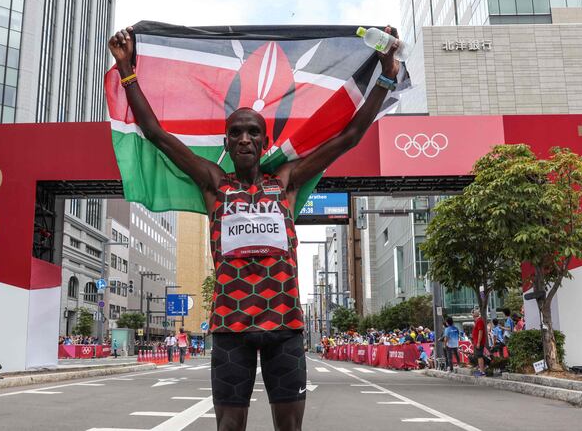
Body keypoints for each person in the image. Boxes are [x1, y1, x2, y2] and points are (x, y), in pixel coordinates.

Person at [109, 24, 400, 431]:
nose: (244, 138)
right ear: (226, 143)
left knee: (290, 429)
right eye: (236, 133)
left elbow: (350, 135)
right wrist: (127, 70)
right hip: (230, 328)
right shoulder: (213, 183)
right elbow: (156, 134)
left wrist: (386, 74)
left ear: (264, 141)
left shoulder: (286, 181)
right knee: (228, 428)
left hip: (285, 328)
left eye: (252, 132)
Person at [471, 308, 487, 377]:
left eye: (473, 314)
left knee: (480, 356)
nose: (472, 316)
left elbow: (480, 332)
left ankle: (482, 371)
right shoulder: (477, 321)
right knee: (478, 356)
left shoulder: (479, 321)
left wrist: (478, 342)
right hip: (477, 342)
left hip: (479, 342)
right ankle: (481, 370)